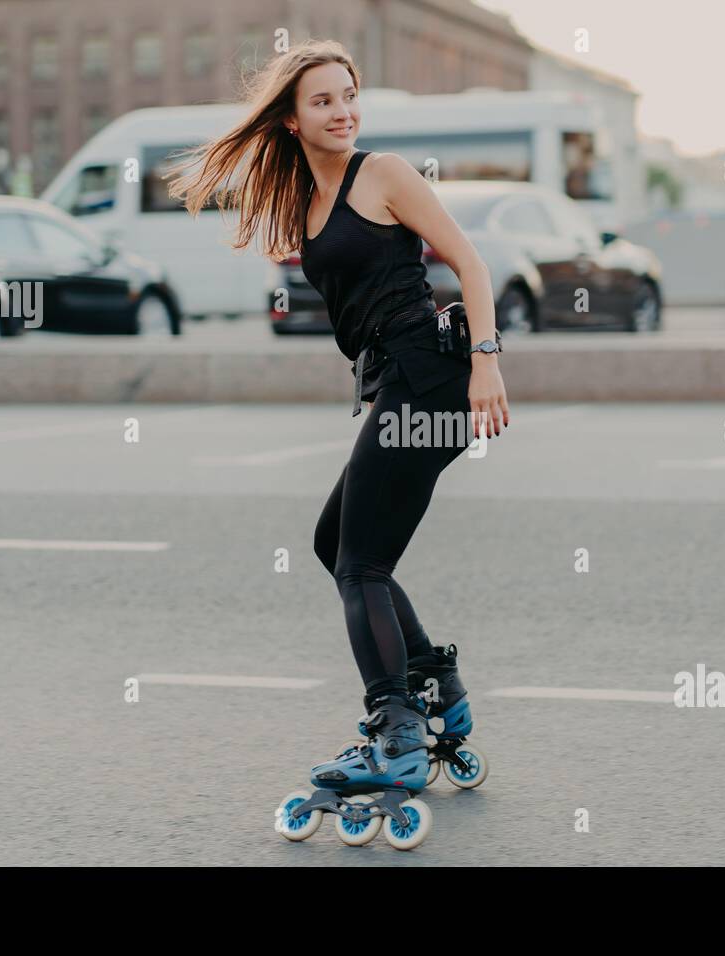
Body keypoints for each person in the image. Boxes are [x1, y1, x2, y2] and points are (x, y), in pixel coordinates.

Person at [166, 39, 504, 821]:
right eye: (323, 100)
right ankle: (434, 690)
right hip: (396, 383)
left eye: (349, 94)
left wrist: (486, 361)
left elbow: (470, 263)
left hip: (432, 380)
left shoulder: (382, 173)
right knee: (338, 546)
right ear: (291, 119)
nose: (343, 109)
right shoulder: (308, 204)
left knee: (358, 565)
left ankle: (397, 729)